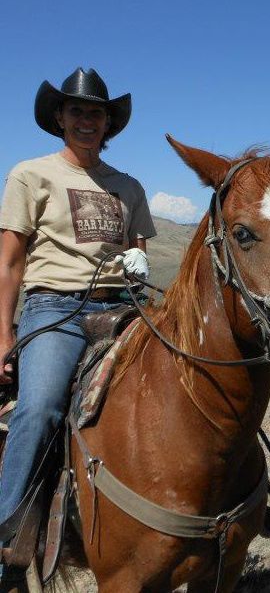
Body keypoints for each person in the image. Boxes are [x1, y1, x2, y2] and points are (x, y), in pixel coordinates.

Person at [0, 68, 156, 572]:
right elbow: (9, 261)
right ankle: (8, 531)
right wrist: (3, 331)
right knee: (42, 405)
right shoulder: (31, 174)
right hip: (55, 307)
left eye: (97, 113)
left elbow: (137, 245)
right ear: (60, 118)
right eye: (77, 111)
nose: (87, 120)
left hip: (120, 305)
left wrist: (139, 260)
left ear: (109, 124)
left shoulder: (128, 186)